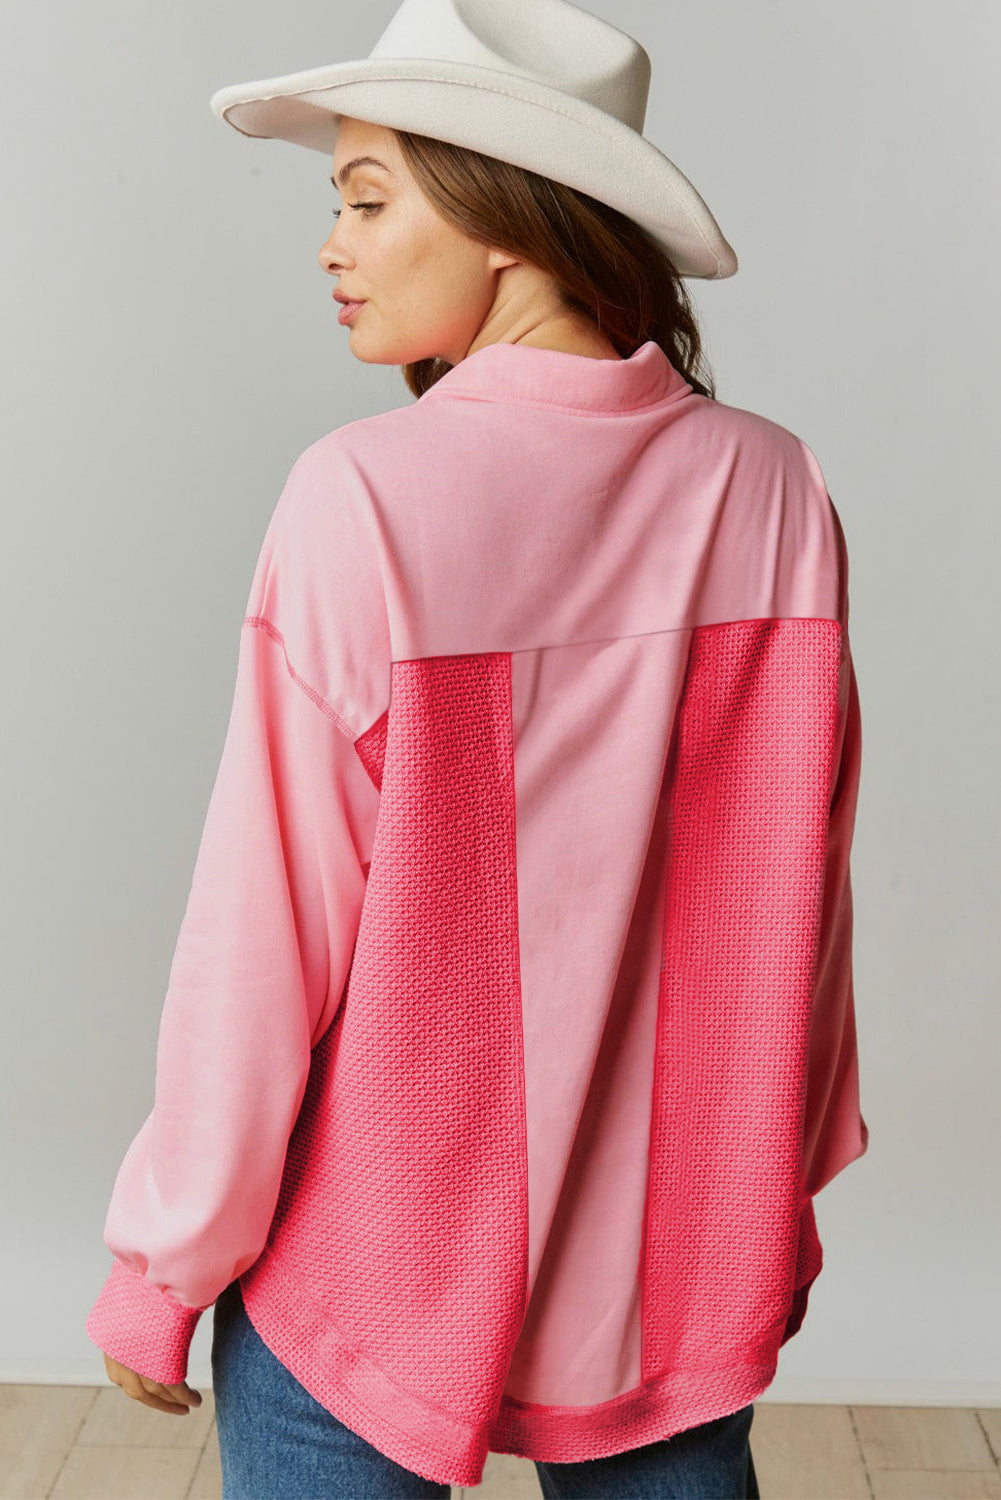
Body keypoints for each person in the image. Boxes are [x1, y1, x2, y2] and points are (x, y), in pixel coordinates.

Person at [85, 1, 869, 1496]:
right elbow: (805, 897)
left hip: (367, 1259)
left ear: (506, 219)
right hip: (667, 1262)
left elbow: (267, 931)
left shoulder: (363, 496)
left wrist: (164, 1263)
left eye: (368, 199)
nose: (331, 245)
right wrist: (770, 1183)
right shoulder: (775, 491)